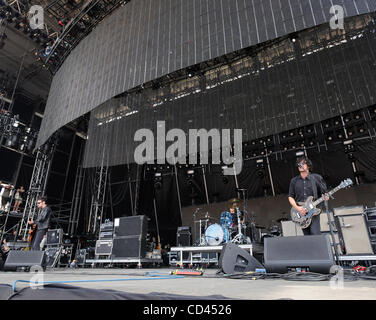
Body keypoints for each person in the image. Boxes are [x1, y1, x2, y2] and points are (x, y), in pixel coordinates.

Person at [288, 156, 329, 236]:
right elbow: (290, 197)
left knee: (315, 233)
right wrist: (298, 208)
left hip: (314, 212)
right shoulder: (294, 181)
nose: (300, 165)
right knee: (307, 236)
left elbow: (324, 194)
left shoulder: (316, 178)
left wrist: (326, 197)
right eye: (299, 164)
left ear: (308, 166)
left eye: (303, 163)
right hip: (301, 213)